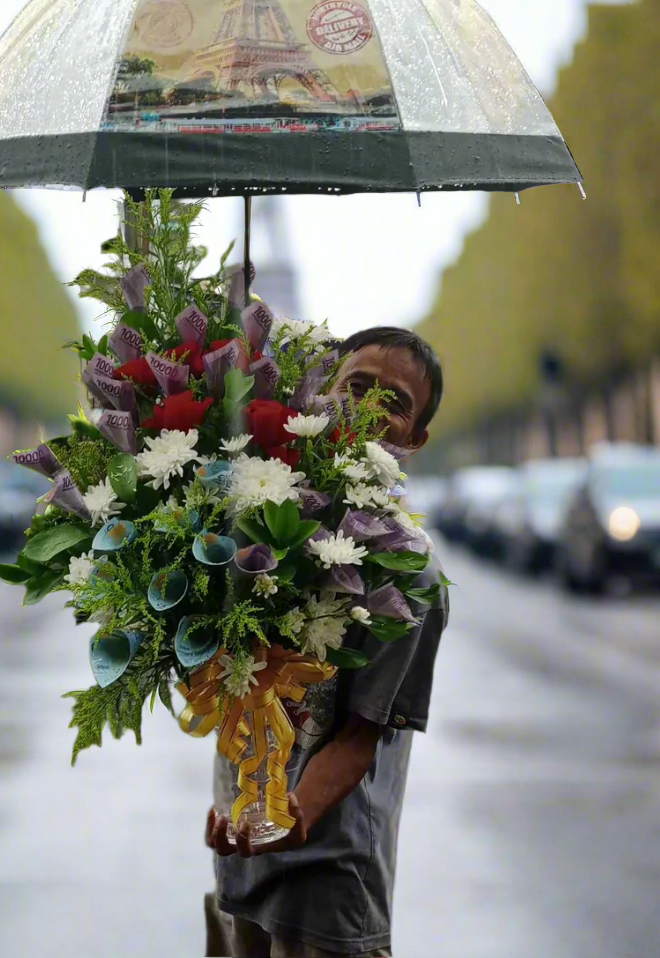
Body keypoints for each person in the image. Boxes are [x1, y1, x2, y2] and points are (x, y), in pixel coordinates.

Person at [204, 327, 448, 958]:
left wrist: (287, 814)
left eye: (393, 402)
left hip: (329, 888)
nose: (366, 410)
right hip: (240, 862)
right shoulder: (260, 513)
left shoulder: (410, 572)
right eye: (356, 386)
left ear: (416, 439)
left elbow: (361, 735)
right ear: (321, 392)